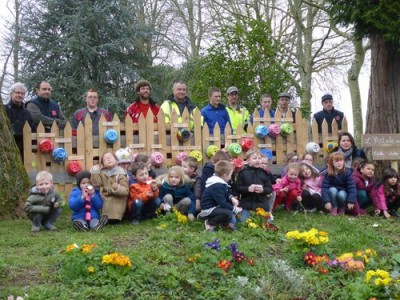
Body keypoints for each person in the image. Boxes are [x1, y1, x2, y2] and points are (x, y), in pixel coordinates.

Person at [198, 160, 242, 232]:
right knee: (228, 213)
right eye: (230, 175)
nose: (230, 177)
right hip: (208, 209)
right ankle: (210, 222)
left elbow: (225, 192)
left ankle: (224, 224)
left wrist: (231, 198)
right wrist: (235, 209)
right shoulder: (217, 185)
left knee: (228, 212)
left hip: (215, 207)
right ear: (225, 175)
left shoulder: (219, 183)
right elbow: (223, 203)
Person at [235, 149, 274, 221]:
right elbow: (237, 188)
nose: (257, 160)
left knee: (266, 223)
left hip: (262, 205)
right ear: (248, 160)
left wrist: (263, 190)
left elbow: (270, 188)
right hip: (247, 204)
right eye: (254, 158)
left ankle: (268, 215)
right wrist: (248, 189)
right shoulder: (243, 173)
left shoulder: (265, 173)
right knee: (242, 222)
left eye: (259, 158)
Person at [90, 152, 129, 223]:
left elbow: (125, 190)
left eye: (110, 157)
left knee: (113, 204)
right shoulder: (101, 173)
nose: (108, 159)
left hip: (117, 197)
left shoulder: (121, 173)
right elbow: (96, 184)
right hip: (104, 197)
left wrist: (117, 188)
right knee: (103, 202)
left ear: (117, 161)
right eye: (105, 159)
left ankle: (112, 219)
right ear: (102, 164)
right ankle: (104, 218)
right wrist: (95, 172)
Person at [4, 82, 34, 159]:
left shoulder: (26, 113)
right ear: (11, 94)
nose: (20, 95)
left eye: (22, 93)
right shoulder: (4, 110)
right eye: (17, 92)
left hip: (23, 148)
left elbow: (32, 129)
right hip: (6, 148)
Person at [321, 152, 357, 216]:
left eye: (341, 160)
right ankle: (334, 207)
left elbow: (352, 187)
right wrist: (327, 201)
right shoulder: (328, 173)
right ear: (331, 163)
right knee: (332, 190)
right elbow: (324, 188)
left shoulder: (347, 173)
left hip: (343, 192)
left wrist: (351, 201)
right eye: (337, 161)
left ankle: (342, 208)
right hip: (333, 193)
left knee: (341, 194)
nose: (339, 163)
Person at [181, 156, 202, 220]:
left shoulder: (197, 178)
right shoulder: (182, 176)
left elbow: (197, 190)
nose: (181, 168)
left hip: (194, 198)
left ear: (192, 169)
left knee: (193, 203)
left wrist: (198, 201)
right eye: (181, 166)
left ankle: (191, 214)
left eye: (184, 167)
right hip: (184, 197)